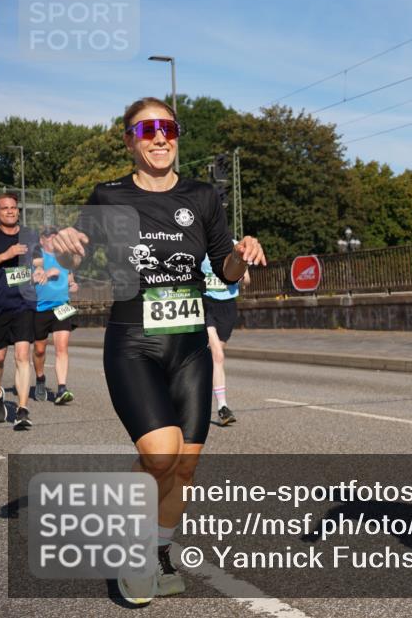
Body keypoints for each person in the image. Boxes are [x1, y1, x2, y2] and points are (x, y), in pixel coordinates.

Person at [50, 97, 266, 605]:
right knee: (160, 453)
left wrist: (240, 254)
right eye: (147, 129)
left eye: (168, 127)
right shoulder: (109, 196)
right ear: (130, 140)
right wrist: (63, 247)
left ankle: (158, 551)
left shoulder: (203, 196)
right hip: (133, 342)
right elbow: (75, 252)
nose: (160, 137)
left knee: (184, 467)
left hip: (189, 345)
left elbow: (225, 271)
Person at [0, 192, 37, 430]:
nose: (10, 211)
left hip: (24, 303)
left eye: (13, 207)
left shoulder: (30, 234)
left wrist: (40, 271)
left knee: (22, 355)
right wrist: (6, 255)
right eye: (4, 208)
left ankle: (22, 409)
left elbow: (38, 260)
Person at [200, 243, 250, 425]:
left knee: (213, 358)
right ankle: (223, 407)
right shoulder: (199, 244)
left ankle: (195, 381)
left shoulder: (236, 246)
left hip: (227, 307)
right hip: (205, 302)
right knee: (218, 355)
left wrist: (241, 274)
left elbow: (247, 280)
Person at [32, 226, 79, 405]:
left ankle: (62, 388)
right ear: (41, 240)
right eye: (48, 236)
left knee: (62, 347)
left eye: (55, 236)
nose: (52, 238)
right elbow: (24, 279)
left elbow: (70, 280)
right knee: (39, 349)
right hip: (40, 309)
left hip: (61, 307)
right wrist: (44, 273)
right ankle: (40, 378)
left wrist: (73, 285)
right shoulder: (36, 258)